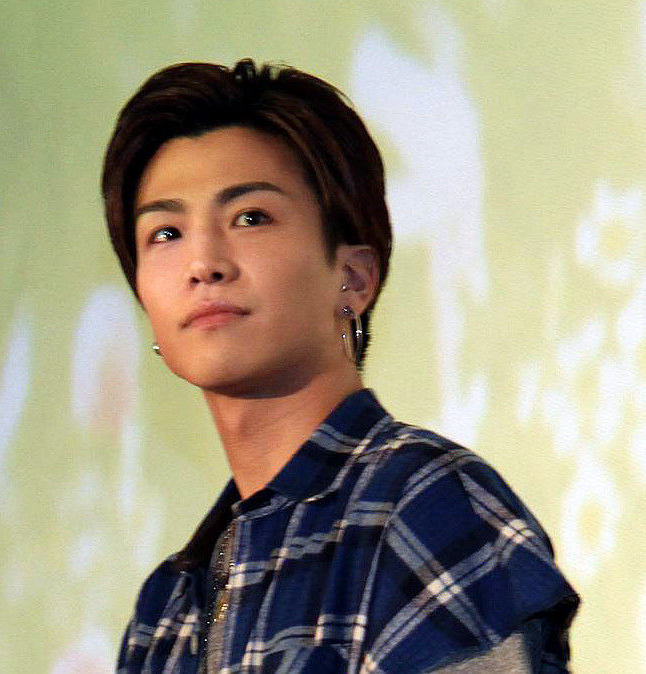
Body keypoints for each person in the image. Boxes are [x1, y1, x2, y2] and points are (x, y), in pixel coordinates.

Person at [101, 59, 578, 673]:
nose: (204, 264)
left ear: (352, 277)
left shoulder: (421, 503)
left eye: (250, 218)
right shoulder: (166, 609)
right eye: (166, 233)